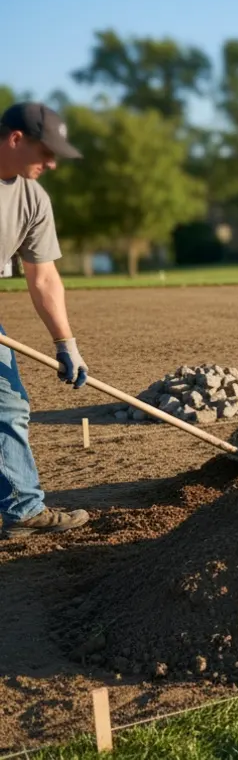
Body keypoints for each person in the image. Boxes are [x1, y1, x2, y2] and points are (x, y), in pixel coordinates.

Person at [0, 102, 91, 539]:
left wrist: (65, 342)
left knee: (7, 405)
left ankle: (22, 511)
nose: (52, 163)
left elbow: (44, 276)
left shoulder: (32, 197)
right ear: (16, 139)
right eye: (46, 152)